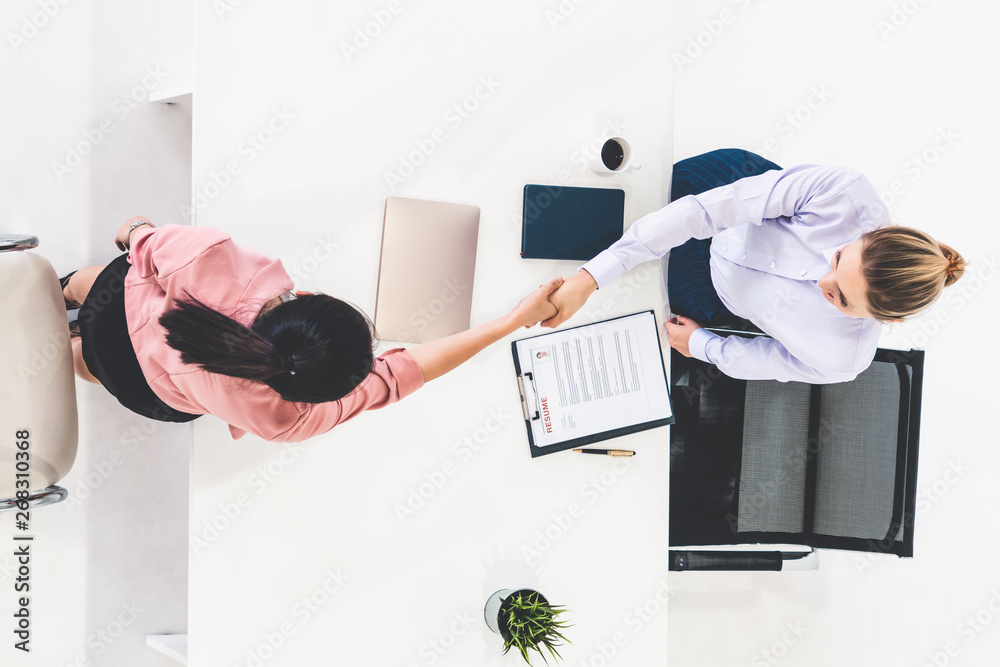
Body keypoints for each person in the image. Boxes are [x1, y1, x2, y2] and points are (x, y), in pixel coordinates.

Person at [61, 217, 562, 442]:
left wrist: (137, 229)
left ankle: (58, 291)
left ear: (303, 298)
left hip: (114, 308)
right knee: (86, 362)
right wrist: (510, 324)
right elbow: (403, 374)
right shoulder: (292, 417)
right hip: (139, 385)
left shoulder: (212, 255)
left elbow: (142, 247)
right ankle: (62, 356)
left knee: (99, 287)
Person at [541, 149, 967, 384]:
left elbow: (765, 361)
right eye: (837, 259)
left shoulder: (841, 359)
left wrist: (704, 347)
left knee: (628, 311)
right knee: (619, 203)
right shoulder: (843, 194)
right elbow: (705, 212)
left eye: (839, 298)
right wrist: (590, 277)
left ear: (878, 319)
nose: (822, 280)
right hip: (730, 201)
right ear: (869, 232)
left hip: (714, 291)